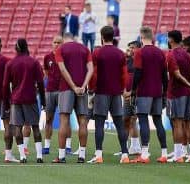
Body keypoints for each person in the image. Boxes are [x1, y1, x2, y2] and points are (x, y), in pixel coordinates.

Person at [88, 25, 130, 164]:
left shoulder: (97, 53)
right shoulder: (120, 53)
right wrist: (123, 89)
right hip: (116, 93)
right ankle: (125, 154)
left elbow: (94, 74)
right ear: (113, 37)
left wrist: (91, 89)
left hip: (101, 92)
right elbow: (124, 74)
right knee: (119, 124)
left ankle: (98, 155)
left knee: (99, 124)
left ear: (102, 37)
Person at [127, 26, 168, 164]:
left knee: (143, 120)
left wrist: (133, 90)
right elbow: (164, 75)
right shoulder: (161, 53)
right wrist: (165, 92)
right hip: (157, 91)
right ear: (152, 36)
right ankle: (164, 153)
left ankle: (144, 154)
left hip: (144, 91)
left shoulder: (140, 52)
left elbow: (137, 72)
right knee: (158, 121)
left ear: (141, 37)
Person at [2, 38, 46, 163]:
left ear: (16, 48)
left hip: (16, 100)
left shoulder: (10, 63)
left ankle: (22, 156)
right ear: (27, 47)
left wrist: (6, 103)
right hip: (31, 98)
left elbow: (5, 85)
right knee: (35, 127)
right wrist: (43, 100)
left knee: (17, 127)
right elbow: (40, 82)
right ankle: (39, 156)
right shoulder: (34, 62)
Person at [53, 32, 94, 163]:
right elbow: (91, 69)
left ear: (64, 39)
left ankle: (61, 156)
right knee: (83, 120)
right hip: (82, 89)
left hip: (66, 88)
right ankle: (81, 155)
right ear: (74, 38)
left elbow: (63, 70)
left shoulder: (60, 49)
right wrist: (83, 85)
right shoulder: (85, 49)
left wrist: (73, 86)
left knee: (64, 120)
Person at [165, 30, 190, 163]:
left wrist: (189, 84)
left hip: (176, 92)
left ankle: (179, 155)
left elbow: (176, 74)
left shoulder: (171, 54)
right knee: (188, 122)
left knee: (177, 123)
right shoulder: (188, 55)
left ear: (171, 40)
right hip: (188, 93)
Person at [42, 36, 72, 155]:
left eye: (59, 42)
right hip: (50, 91)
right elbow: (46, 72)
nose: (56, 44)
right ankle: (47, 146)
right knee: (48, 119)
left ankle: (68, 146)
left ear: (63, 44)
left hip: (63, 91)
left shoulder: (67, 57)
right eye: (54, 42)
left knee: (65, 119)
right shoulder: (47, 57)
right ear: (52, 43)